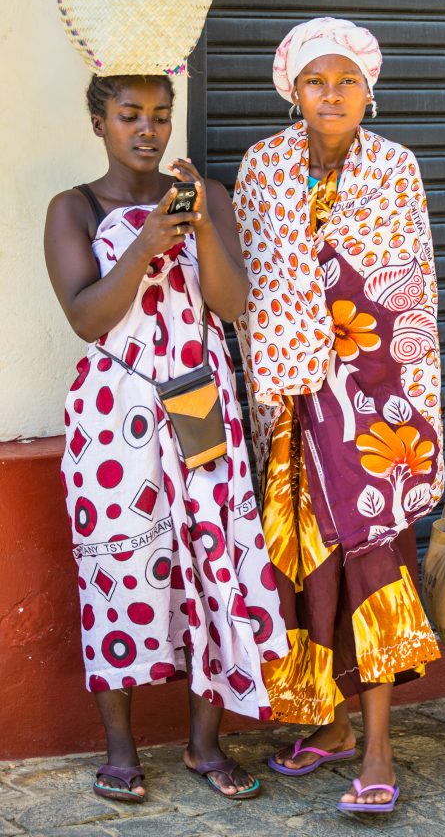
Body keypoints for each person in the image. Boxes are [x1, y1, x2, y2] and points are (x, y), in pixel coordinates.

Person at [45, 75, 288, 803]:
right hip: (110, 418)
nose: (147, 130)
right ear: (99, 122)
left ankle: (203, 744)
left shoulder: (206, 196)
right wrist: (147, 241)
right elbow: (87, 317)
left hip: (199, 405)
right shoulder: (74, 208)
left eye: (160, 115)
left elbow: (233, 302)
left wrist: (204, 228)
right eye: (129, 116)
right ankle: (121, 749)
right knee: (119, 571)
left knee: (215, 562)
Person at [234, 17, 444, 814]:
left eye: (346, 80)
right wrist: (297, 348)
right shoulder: (262, 168)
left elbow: (405, 285)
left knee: (371, 560)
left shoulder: (395, 168)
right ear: (292, 88)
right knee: (307, 562)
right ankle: (327, 723)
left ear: (369, 90)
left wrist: (346, 354)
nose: (332, 93)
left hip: (372, 401)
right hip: (291, 405)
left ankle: (381, 746)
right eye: (317, 80)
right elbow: (254, 285)